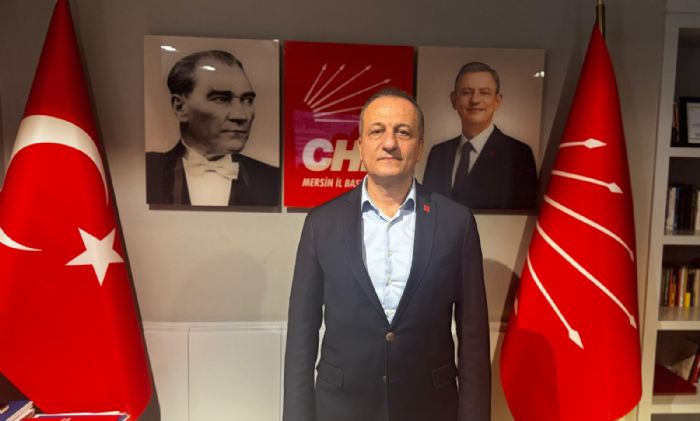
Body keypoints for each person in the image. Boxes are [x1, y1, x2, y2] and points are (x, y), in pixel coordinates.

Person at [283, 88, 490, 421]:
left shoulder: (456, 222)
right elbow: (301, 336)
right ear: (361, 145)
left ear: (419, 146)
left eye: (403, 132)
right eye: (377, 131)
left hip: (430, 409)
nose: (389, 142)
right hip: (342, 409)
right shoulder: (321, 223)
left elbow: (474, 337)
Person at [146, 50, 279, 206]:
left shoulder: (273, 179)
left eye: (247, 100)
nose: (241, 116)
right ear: (180, 107)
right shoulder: (148, 170)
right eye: (220, 99)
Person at [422, 61, 537, 210]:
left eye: (484, 92)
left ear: (497, 101)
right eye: (466, 92)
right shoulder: (438, 153)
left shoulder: (518, 155)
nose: (475, 100)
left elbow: (522, 215)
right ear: (454, 100)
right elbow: (428, 208)